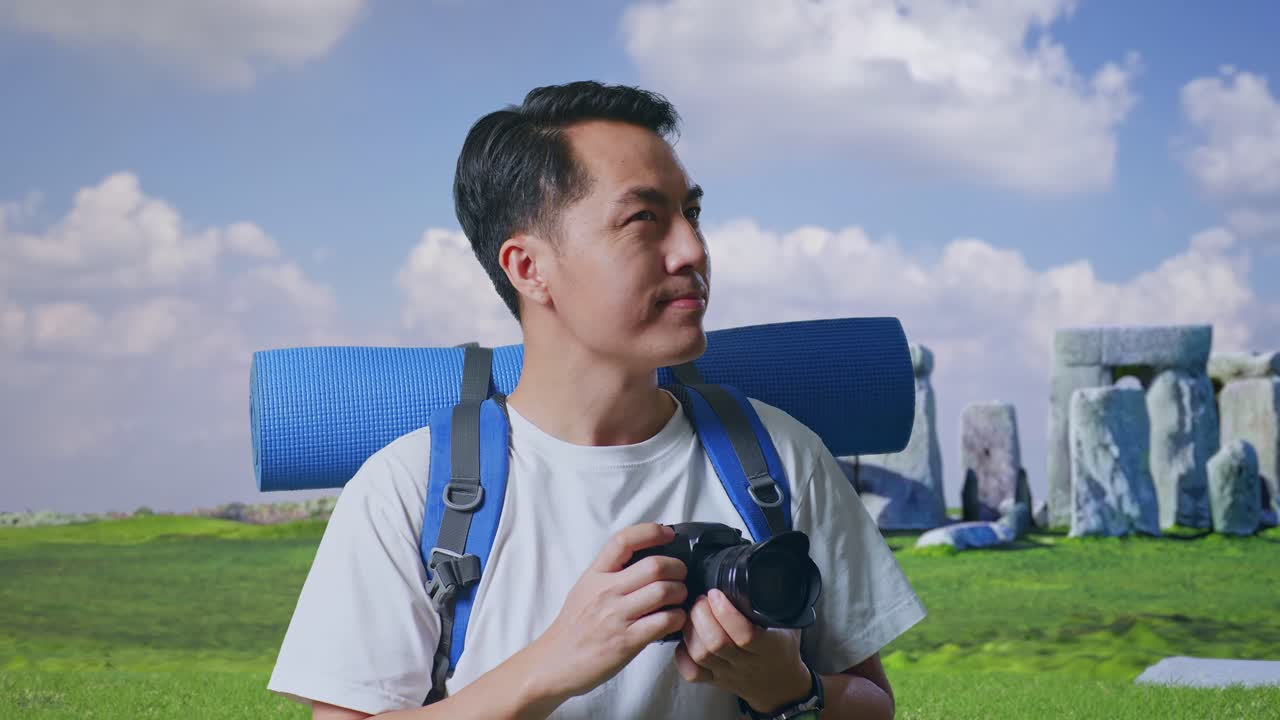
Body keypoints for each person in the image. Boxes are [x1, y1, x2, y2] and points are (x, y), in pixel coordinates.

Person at [267, 80, 926, 719]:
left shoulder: (778, 457)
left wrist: (790, 688)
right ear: (529, 268)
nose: (693, 250)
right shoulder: (406, 491)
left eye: (691, 214)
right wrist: (550, 666)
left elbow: (872, 705)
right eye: (644, 219)